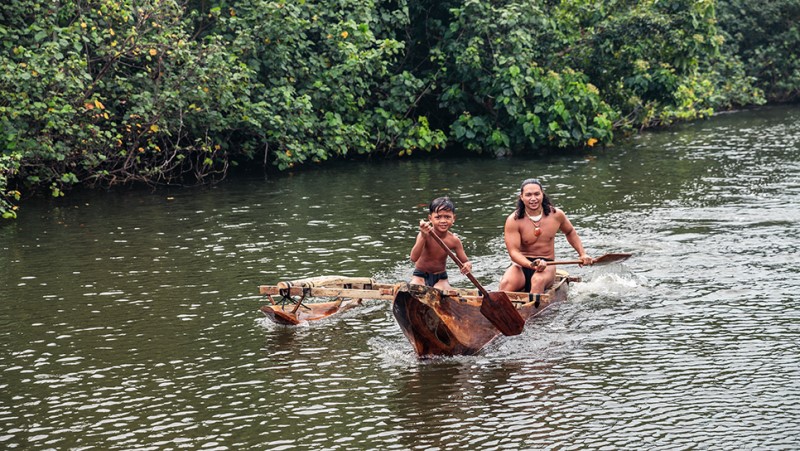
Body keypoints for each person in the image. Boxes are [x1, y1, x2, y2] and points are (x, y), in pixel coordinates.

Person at [498, 179, 593, 294]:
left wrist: (582, 253)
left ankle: (534, 310)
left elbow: (570, 232)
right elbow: (513, 252)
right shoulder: (514, 220)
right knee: (506, 284)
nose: (533, 199)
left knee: (537, 280)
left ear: (542, 194)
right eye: (528, 195)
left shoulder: (556, 215)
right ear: (521, 197)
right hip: (522, 266)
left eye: (537, 194)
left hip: (547, 264)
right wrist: (531, 265)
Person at [410, 197, 472, 290]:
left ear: (453, 218)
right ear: (430, 218)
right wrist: (423, 236)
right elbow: (413, 258)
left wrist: (467, 266)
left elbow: (465, 261)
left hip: (441, 278)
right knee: (414, 289)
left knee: (442, 293)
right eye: (438, 217)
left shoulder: (454, 240)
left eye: (447, 217)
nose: (443, 221)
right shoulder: (424, 234)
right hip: (420, 275)